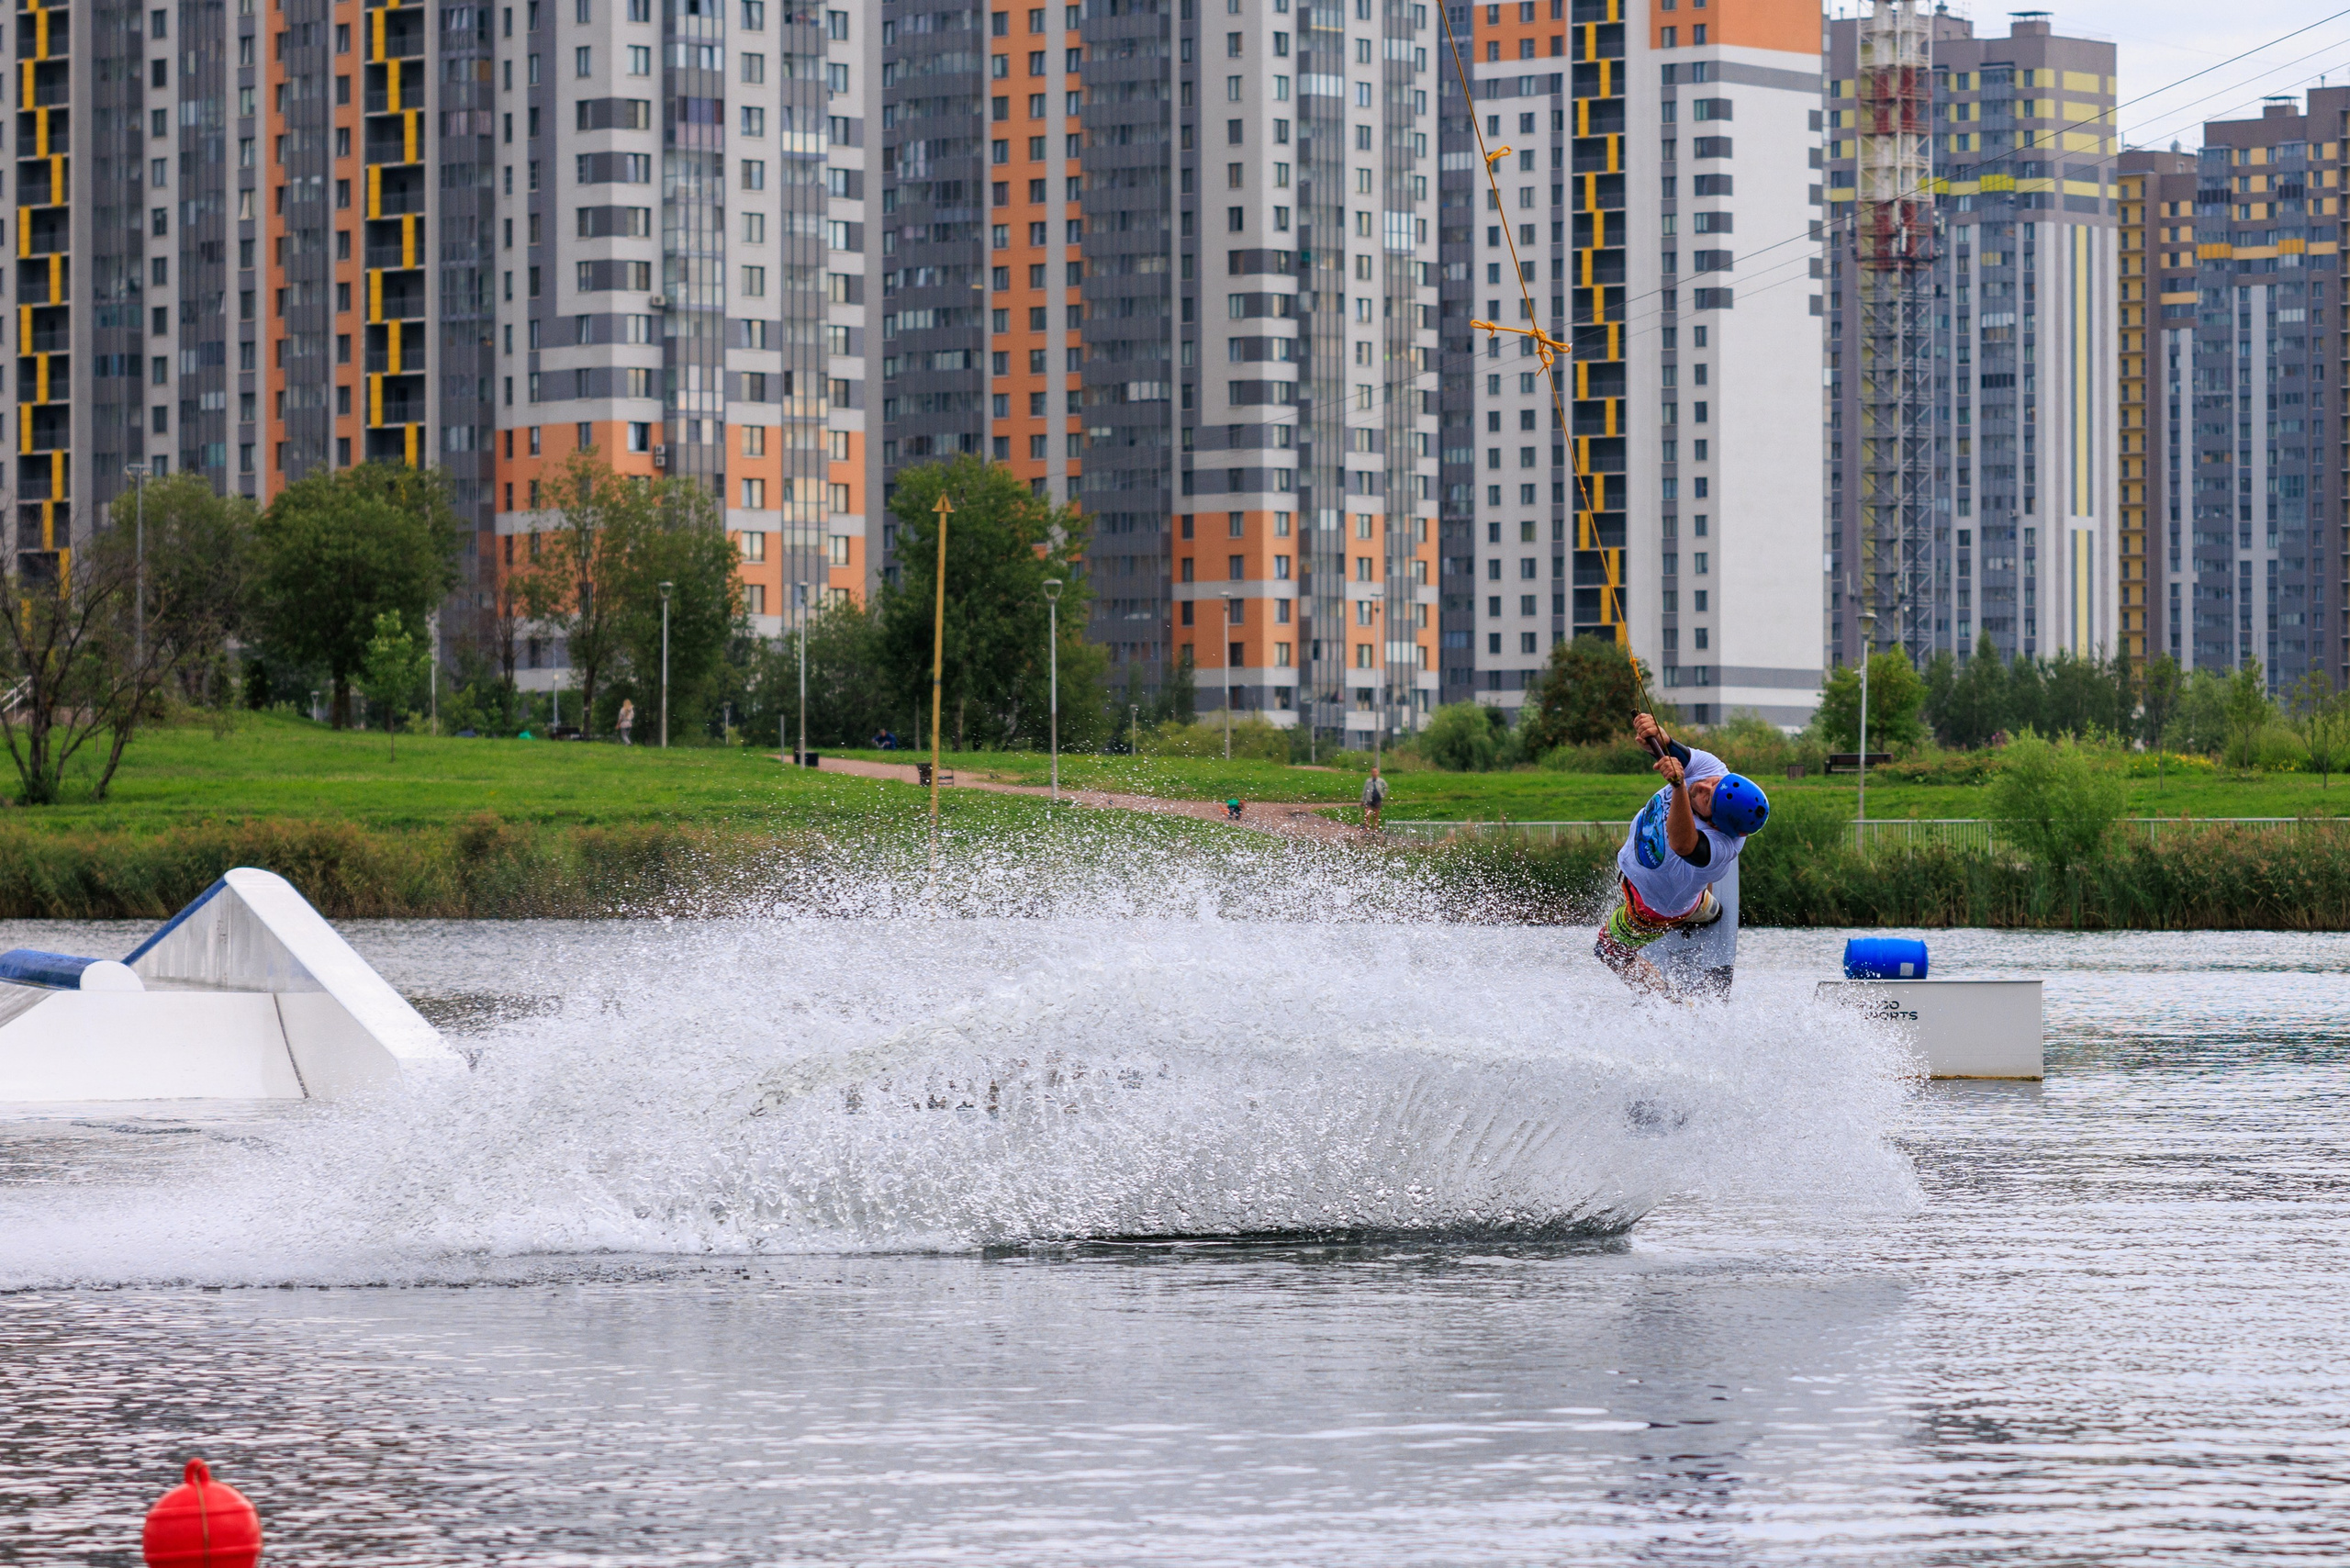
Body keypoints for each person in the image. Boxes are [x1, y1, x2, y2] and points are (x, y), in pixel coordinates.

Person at [1594, 712, 1771, 998]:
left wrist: (1678, 788)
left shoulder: (1721, 847)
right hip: (1670, 885)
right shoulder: (1715, 769)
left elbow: (1682, 844)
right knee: (1695, 898)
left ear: (1715, 824)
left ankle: (1664, 998)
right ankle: (1707, 910)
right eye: (1714, 783)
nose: (1704, 785)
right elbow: (1665, 744)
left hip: (1654, 907)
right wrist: (1654, 735)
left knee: (1608, 951)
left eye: (1707, 798)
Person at [1360, 765, 1388, 831]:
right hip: (1369, 799)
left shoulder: (1381, 781)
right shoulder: (1368, 781)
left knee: (1376, 816)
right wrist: (1362, 800)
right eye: (1373, 772)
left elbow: (1386, 788)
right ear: (1371, 773)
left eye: (1375, 772)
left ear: (1378, 773)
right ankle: (1366, 830)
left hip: (1377, 799)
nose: (1374, 773)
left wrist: (1382, 795)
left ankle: (1375, 831)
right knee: (1367, 816)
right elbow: (1365, 790)